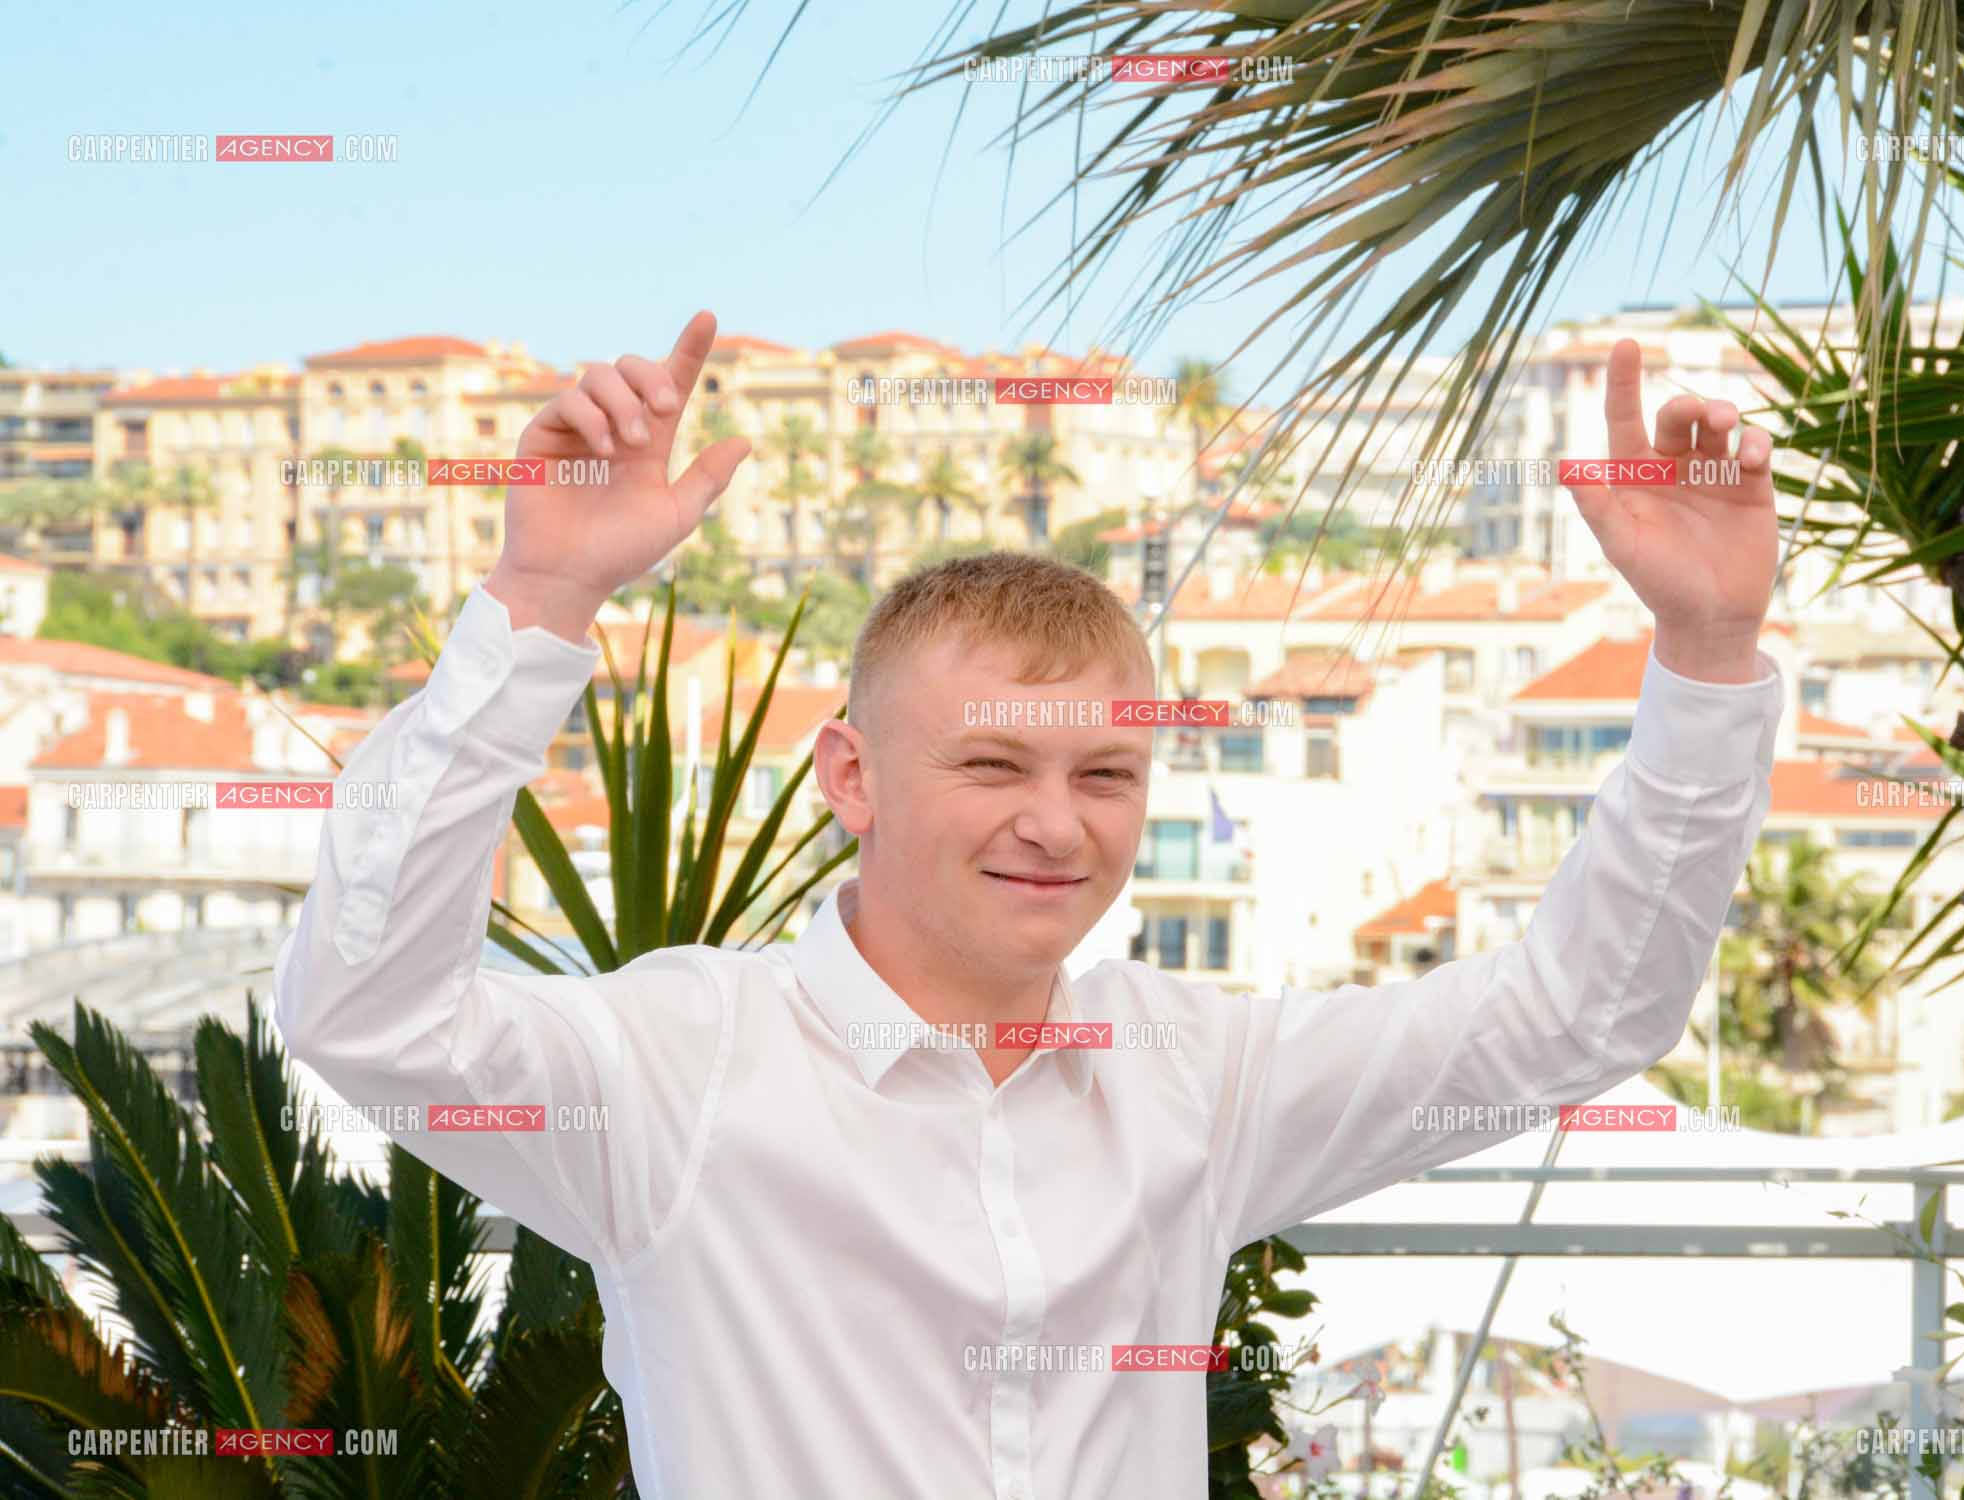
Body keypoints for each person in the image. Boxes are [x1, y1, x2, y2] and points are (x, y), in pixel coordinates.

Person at [273, 310, 1783, 1498]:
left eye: (1108, 777)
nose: (1056, 827)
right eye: (991, 764)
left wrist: (1706, 653)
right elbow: (370, 1010)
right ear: (851, 777)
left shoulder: (1200, 1077)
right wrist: (537, 606)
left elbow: (1577, 1018)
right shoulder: (677, 1069)